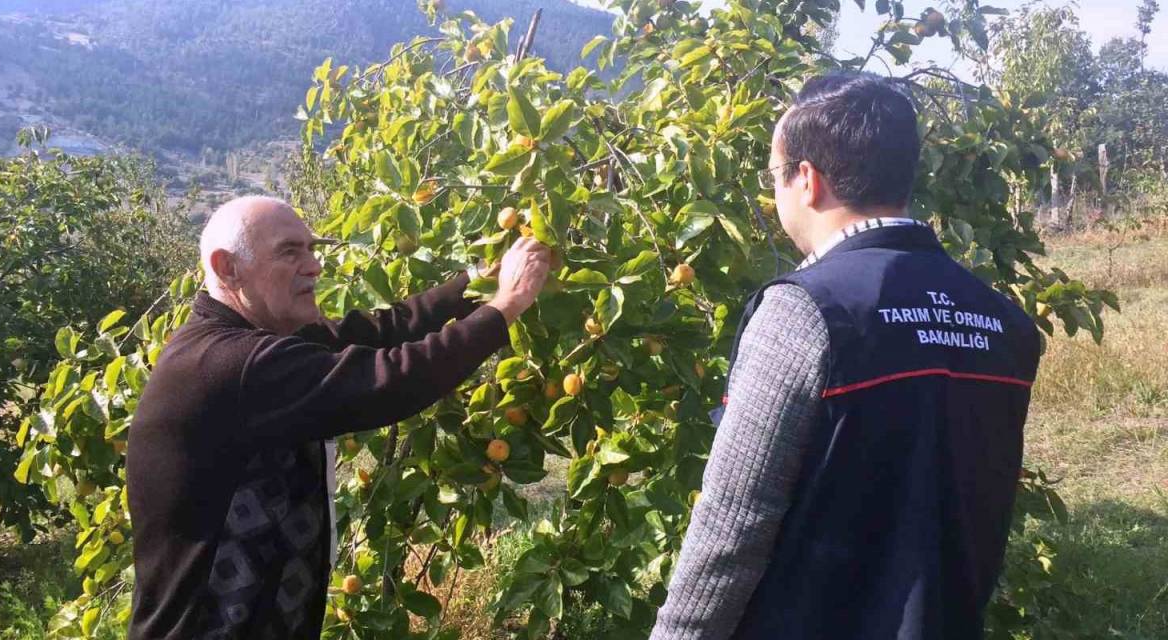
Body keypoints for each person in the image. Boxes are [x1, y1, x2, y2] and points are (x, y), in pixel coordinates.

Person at [651, 73, 1041, 639]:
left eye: (774, 176)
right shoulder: (1001, 322)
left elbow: (731, 526)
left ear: (806, 180)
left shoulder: (804, 313)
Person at [126, 196, 551, 638]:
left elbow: (381, 330)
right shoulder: (227, 364)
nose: (313, 265)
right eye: (290, 251)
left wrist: (478, 280)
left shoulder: (257, 344)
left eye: (311, 249)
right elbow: (388, 383)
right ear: (227, 267)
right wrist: (506, 305)